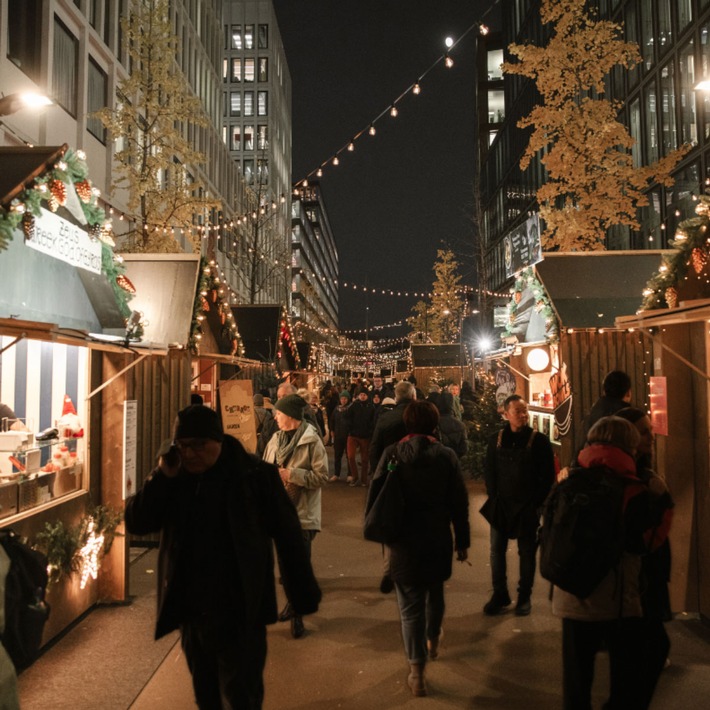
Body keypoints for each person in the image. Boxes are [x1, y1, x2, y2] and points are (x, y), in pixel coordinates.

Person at [124, 405, 321, 709]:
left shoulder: (256, 476)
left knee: (243, 694)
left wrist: (301, 595)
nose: (190, 454)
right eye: (183, 446)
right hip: (192, 610)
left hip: (241, 608)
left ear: (218, 440)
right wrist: (161, 477)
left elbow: (289, 537)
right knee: (206, 695)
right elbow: (137, 522)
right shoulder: (175, 478)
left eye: (198, 445)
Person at [552, 416, 670, 710]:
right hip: (617, 602)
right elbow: (647, 543)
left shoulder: (569, 480)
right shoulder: (637, 487)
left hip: (571, 599)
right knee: (626, 682)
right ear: (628, 445)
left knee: (576, 688)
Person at [366, 400, 470, 697]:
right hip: (437, 538)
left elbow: (377, 495)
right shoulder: (447, 457)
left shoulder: (393, 455)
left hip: (402, 542)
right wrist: (461, 542)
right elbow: (459, 503)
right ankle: (434, 637)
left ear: (407, 424)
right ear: (434, 424)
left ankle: (417, 672)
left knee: (410, 608)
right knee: (435, 592)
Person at [262, 394, 329, 639]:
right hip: (279, 513)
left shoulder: (312, 441)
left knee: (299, 566)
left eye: (278, 413)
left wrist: (292, 475)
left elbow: (322, 477)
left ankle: (297, 616)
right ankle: (293, 604)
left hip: (303, 514)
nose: (275, 417)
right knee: (286, 565)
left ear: (290, 416)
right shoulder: (274, 440)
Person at [482, 394, 555, 616]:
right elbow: (490, 471)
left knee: (526, 552)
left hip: (527, 506)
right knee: (497, 551)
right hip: (501, 505)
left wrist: (536, 503)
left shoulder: (539, 441)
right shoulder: (496, 439)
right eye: (518, 412)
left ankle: (525, 597)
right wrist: (494, 496)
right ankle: (500, 594)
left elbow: (547, 475)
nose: (523, 416)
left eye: (525, 411)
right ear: (506, 414)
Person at [577, 370, 632, 453]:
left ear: (604, 391)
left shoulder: (592, 414)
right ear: (628, 393)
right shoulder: (630, 418)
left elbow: (581, 446)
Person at [369, 380, 416, 473]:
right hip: (417, 469)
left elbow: (375, 447)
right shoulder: (423, 415)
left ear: (396, 397)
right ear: (413, 396)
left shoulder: (386, 417)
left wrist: (377, 472)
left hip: (392, 468)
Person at [344, 387, 375, 487]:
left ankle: (364, 479)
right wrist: (350, 429)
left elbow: (373, 421)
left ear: (367, 396)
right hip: (353, 435)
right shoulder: (353, 405)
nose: (362, 396)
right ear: (358, 395)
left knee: (365, 459)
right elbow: (347, 417)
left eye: (364, 395)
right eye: (361, 394)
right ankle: (355, 476)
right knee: (351, 456)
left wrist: (369, 431)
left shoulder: (371, 407)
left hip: (365, 436)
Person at [436, 391, 468, 459]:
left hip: (436, 462)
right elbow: (464, 448)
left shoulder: (434, 423)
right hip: (453, 461)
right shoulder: (460, 425)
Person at [329, 391, 351, 482]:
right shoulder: (336, 409)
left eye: (345, 398)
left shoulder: (351, 408)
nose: (343, 400)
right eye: (342, 398)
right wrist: (332, 430)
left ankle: (350, 474)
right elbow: (332, 420)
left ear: (348, 399)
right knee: (337, 456)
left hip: (348, 436)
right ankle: (336, 474)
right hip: (338, 436)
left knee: (349, 456)